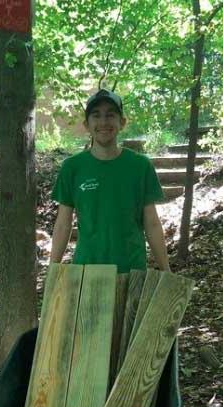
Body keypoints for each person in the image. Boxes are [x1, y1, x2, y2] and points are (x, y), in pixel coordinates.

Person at [49, 88, 170, 273]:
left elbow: (152, 222)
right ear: (86, 124)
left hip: (132, 272)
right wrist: (53, 269)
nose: (103, 122)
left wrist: (166, 270)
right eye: (96, 115)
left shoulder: (140, 166)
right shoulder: (72, 168)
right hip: (86, 273)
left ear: (122, 122)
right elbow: (63, 224)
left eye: (110, 115)